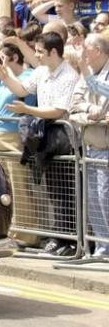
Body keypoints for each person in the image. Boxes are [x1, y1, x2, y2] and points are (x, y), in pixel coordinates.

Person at [0, 32, 79, 255]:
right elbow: (21, 90)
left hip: (63, 136)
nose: (36, 55)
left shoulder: (69, 75)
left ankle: (69, 240)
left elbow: (58, 110)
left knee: (65, 190)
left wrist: (27, 109)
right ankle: (58, 237)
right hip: (45, 135)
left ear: (53, 52)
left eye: (40, 51)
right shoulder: (41, 71)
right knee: (53, 190)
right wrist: (5, 77)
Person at [0, 43, 39, 247]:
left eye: (2, 58)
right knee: (5, 187)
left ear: (15, 58)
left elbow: (23, 94)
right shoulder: (0, 79)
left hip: (14, 134)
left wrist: (6, 75)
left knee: (19, 185)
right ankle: (10, 228)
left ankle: (26, 235)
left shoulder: (28, 76)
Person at [70, 34, 109, 257]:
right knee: (93, 199)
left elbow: (99, 88)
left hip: (106, 146)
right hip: (89, 146)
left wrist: (83, 66)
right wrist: (89, 112)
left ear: (98, 50)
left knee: (105, 198)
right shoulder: (86, 75)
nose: (83, 52)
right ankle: (102, 248)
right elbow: (73, 106)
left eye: (87, 48)